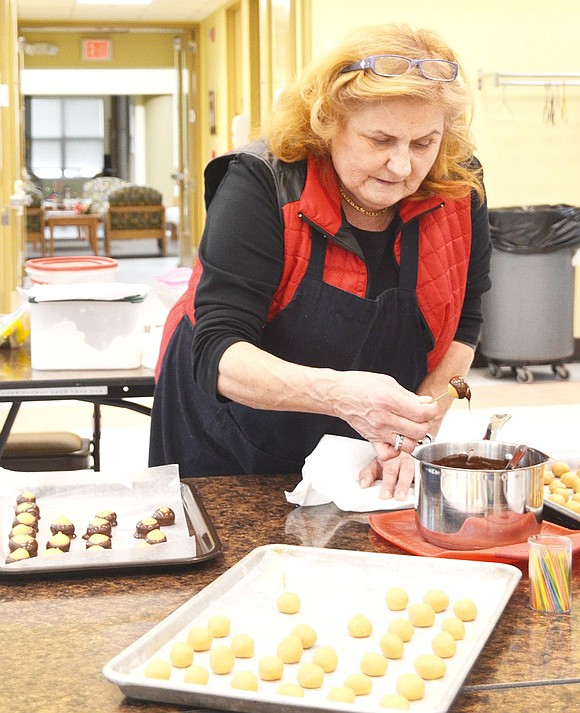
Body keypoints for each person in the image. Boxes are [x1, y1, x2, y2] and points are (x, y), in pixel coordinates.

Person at [149, 22, 491, 500]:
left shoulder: (458, 184)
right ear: (328, 122)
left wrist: (416, 423)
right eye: (380, 140)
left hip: (365, 439)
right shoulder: (263, 182)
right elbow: (219, 352)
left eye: (422, 144)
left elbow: (466, 318)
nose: (402, 166)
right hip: (230, 438)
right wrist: (344, 397)